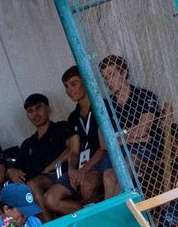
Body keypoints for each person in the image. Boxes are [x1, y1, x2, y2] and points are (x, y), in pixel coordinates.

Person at [99, 55, 162, 198]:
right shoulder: (106, 105)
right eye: (105, 77)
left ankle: (119, 210)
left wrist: (118, 136)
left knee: (127, 164)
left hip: (146, 149)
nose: (108, 81)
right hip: (121, 151)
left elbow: (142, 130)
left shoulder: (144, 96)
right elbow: (103, 143)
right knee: (108, 175)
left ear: (124, 73)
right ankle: (112, 213)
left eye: (112, 75)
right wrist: (132, 137)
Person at [11, 93, 82, 219]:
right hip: (36, 184)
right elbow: (15, 167)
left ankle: (48, 224)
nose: (35, 114)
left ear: (48, 108)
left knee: (33, 184)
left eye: (39, 108)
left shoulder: (60, 127)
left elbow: (71, 148)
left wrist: (51, 166)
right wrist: (11, 170)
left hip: (59, 176)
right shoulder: (28, 143)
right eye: (30, 111)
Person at [62, 65, 107, 203]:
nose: (70, 90)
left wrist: (84, 170)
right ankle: (80, 216)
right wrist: (71, 170)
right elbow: (74, 150)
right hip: (81, 164)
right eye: (66, 86)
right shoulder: (73, 116)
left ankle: (94, 219)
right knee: (51, 198)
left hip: (99, 161)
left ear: (86, 82)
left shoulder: (102, 107)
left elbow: (104, 147)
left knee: (86, 186)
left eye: (73, 84)